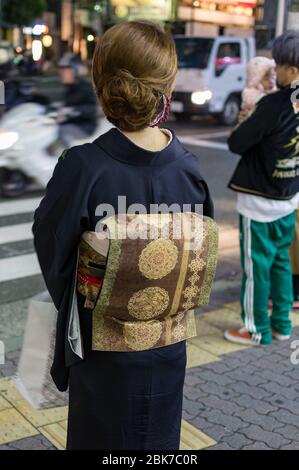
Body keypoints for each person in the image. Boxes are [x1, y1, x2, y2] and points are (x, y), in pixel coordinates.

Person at [32, 21, 214, 450]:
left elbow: (53, 246)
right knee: (160, 443)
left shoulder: (83, 167)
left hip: (102, 352)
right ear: (166, 84)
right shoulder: (187, 166)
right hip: (169, 347)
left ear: (101, 82)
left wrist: (92, 295)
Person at [224, 30, 299, 346]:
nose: (275, 69)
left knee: (256, 268)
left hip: (259, 204)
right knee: (281, 262)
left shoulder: (273, 104)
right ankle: (282, 325)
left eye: (279, 65)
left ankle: (256, 330)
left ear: (292, 71)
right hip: (289, 198)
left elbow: (237, 142)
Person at [57, 53, 97, 147]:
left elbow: (91, 109)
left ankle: (65, 160)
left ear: (75, 71)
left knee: (61, 132)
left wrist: (73, 110)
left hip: (84, 126)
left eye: (65, 71)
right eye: (61, 71)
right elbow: (67, 106)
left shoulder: (85, 87)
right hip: (73, 122)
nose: (62, 74)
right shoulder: (71, 88)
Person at [239, 56, 277, 122]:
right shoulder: (250, 94)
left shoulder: (270, 91)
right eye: (266, 78)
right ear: (256, 80)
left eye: (272, 77)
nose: (271, 81)